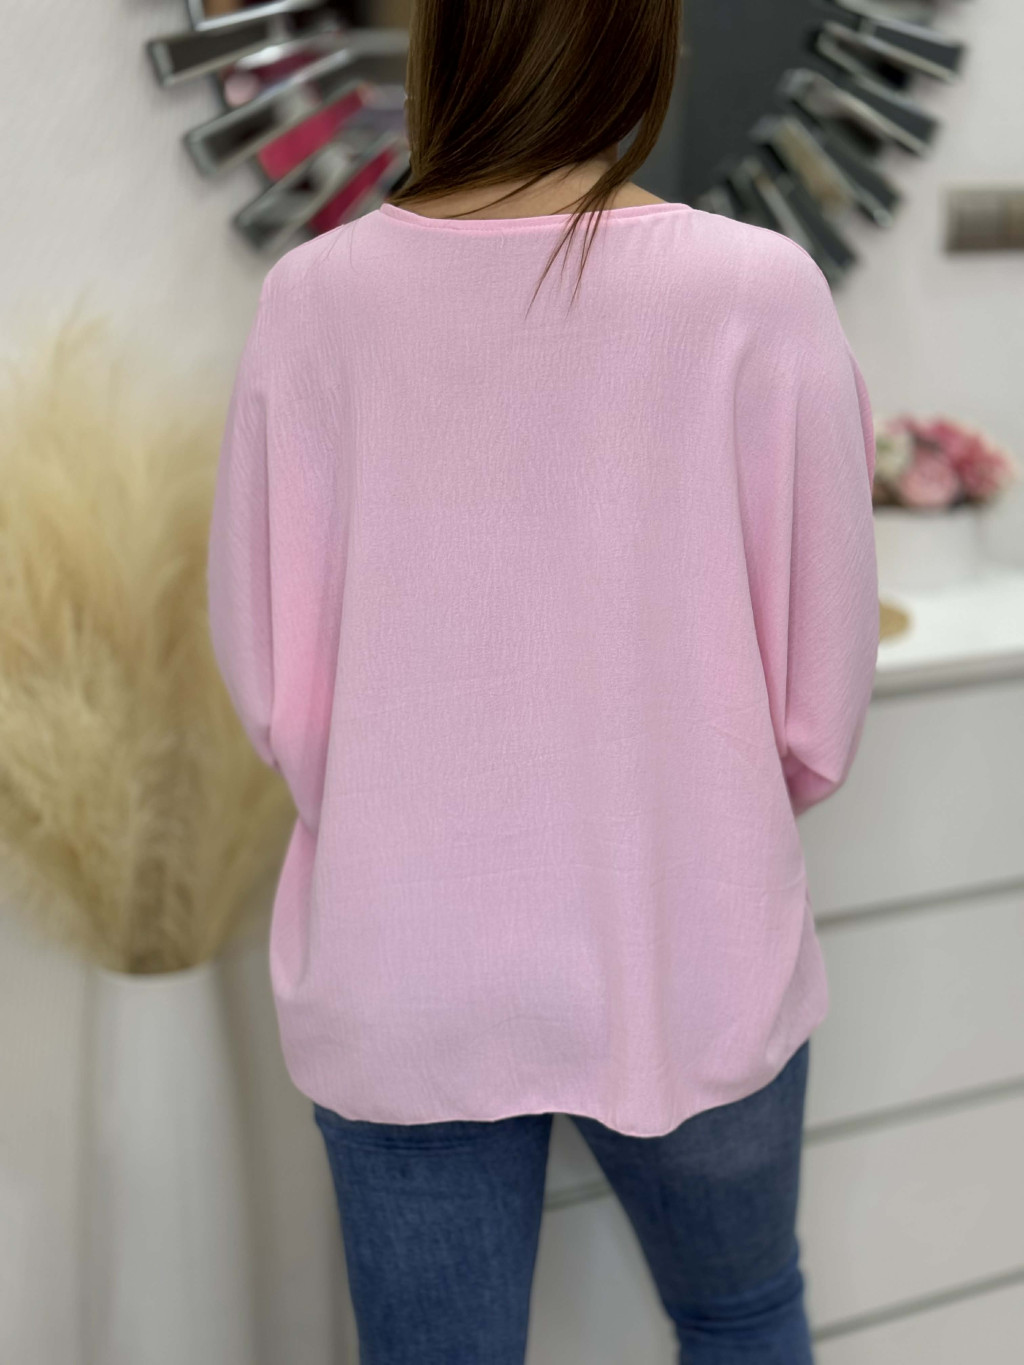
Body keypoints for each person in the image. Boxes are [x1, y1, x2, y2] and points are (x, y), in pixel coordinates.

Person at [206, 0, 880, 1360]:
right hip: (692, 941)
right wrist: (698, 815)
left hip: (405, 957)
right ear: (645, 42)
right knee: (741, 1313)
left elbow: (280, 690)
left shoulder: (316, 302)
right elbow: (817, 706)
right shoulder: (759, 291)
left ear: (441, 41)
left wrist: (411, 825)